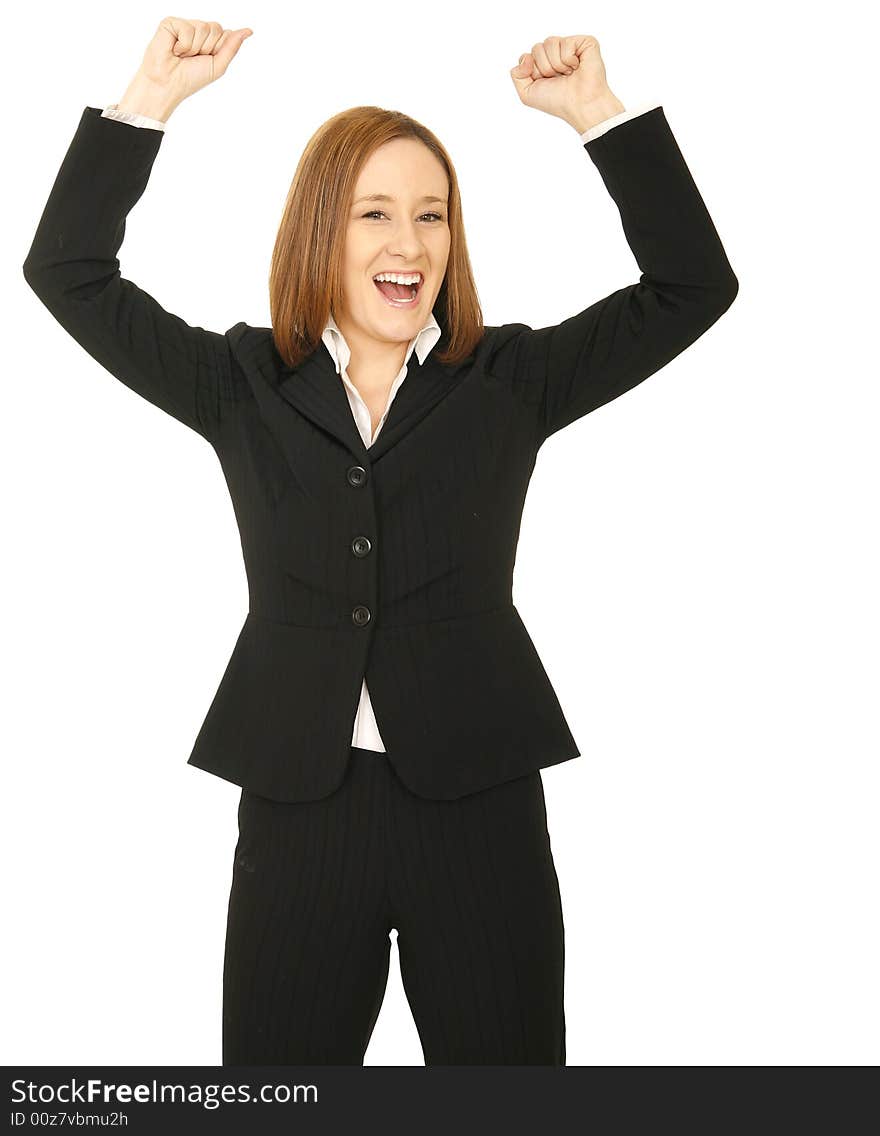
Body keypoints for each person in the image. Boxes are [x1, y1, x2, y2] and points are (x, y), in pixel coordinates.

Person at [22, 19, 738, 1066]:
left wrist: (596, 115)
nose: (409, 243)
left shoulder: (507, 380)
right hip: (300, 806)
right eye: (374, 213)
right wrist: (149, 98)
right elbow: (68, 272)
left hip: (478, 801)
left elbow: (692, 287)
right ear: (323, 231)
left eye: (431, 216)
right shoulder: (240, 382)